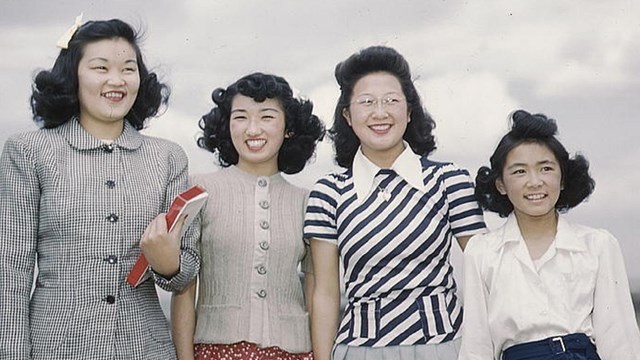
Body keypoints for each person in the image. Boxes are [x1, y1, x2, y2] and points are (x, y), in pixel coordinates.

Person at [0, 17, 200, 359]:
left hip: (145, 349)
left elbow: (185, 273)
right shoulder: (28, 151)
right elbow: (11, 272)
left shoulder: (168, 157)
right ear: (72, 74)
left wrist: (168, 263)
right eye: (100, 67)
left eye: (128, 68)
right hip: (55, 348)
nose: (116, 80)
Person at [304, 46, 486, 360]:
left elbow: (486, 270)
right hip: (359, 349)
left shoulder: (449, 180)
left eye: (391, 100)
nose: (380, 112)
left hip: (444, 347)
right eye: (366, 102)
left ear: (410, 111)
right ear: (347, 115)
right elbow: (325, 293)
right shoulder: (329, 192)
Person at [459, 110, 640, 360]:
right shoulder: (482, 252)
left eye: (545, 168)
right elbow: (475, 347)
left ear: (563, 178)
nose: (535, 182)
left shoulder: (598, 245)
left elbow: (620, 340)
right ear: (500, 184)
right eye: (519, 171)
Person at [171, 72, 325, 360]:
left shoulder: (307, 201)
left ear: (288, 128)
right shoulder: (199, 189)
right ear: (226, 126)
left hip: (294, 353)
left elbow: (317, 293)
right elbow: (184, 288)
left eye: (267, 117)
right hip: (214, 352)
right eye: (240, 117)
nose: (253, 129)